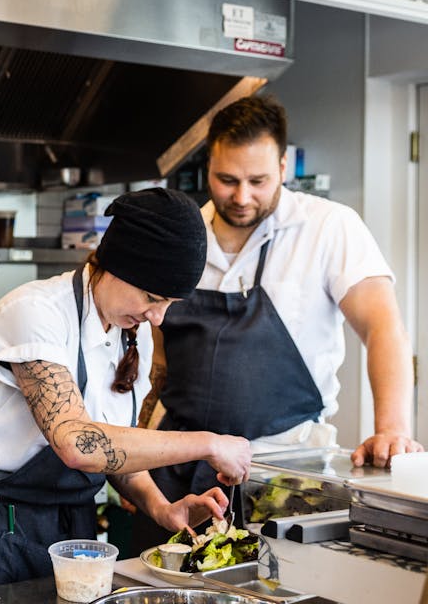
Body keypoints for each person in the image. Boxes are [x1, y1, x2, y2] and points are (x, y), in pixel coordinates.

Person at [132, 95, 423, 551]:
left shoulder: (329, 228)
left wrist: (392, 428)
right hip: (179, 472)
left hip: (283, 475)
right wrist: (138, 459)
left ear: (284, 166)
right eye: (226, 180)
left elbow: (382, 326)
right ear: (209, 164)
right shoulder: (185, 233)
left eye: (258, 181)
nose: (242, 196)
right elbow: (158, 367)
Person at [0, 187, 253, 594]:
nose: (157, 316)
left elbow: (114, 446)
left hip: (73, 528)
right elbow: (78, 443)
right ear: (114, 264)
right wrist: (209, 444)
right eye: (153, 297)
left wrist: (162, 508)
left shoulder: (132, 332)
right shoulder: (34, 313)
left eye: (169, 303)